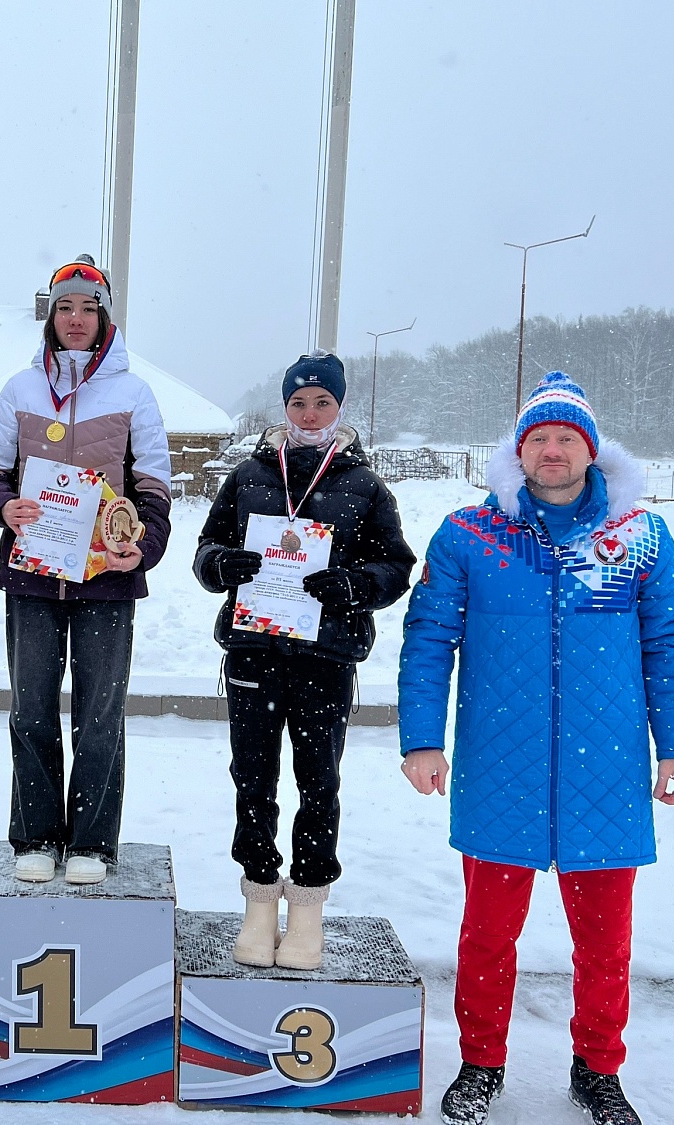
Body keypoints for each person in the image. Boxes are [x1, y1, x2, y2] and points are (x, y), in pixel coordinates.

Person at [398, 371, 674, 1125]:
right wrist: (421, 740)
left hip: (607, 772)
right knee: (488, 932)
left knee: (606, 943)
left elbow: (671, 643)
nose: (554, 451)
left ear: (592, 451)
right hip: (502, 768)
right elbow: (429, 638)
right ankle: (481, 1062)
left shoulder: (638, 538)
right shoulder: (470, 533)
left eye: (568, 438)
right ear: (520, 450)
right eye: (540, 438)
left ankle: (598, 1067)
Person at [193, 353, 415, 970]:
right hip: (253, 651)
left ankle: (309, 908)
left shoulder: (366, 486)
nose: (309, 413)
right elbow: (206, 549)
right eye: (298, 403)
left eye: (322, 402)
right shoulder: (248, 474)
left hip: (326, 655)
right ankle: (260, 900)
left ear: (339, 408)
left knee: (319, 782)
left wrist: (352, 584)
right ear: (283, 409)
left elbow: (397, 565)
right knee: (253, 779)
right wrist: (221, 567)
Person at [0, 256, 172, 886]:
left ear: (105, 317)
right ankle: (35, 834)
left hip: (107, 580)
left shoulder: (132, 392)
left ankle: (91, 841)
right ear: (50, 315)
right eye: (66, 307)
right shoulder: (20, 389)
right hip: (34, 573)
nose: (77, 319)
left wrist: (143, 547)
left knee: (100, 712)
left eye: (89, 308)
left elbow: (154, 487)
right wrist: (3, 506)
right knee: (30, 707)